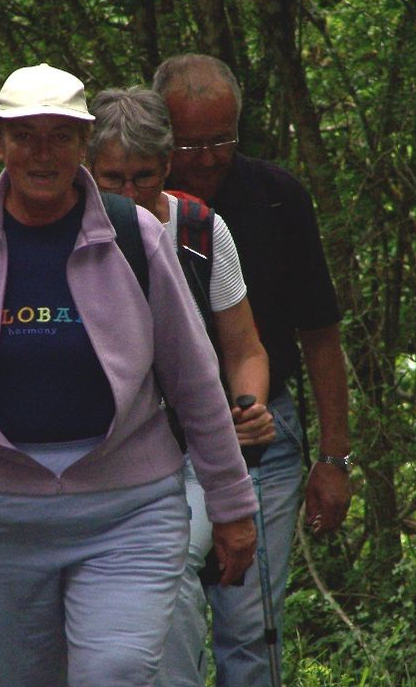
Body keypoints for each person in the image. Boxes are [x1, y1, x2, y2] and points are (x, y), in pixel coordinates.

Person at [0, 63, 259, 687]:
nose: (41, 153)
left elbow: (195, 380)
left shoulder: (137, 237)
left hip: (126, 510)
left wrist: (232, 506)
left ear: (82, 144)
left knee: (117, 671)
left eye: (59, 136)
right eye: (25, 136)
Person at [153, 54, 353, 687]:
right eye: (190, 143)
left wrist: (335, 458)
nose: (209, 157)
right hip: (156, 437)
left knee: (250, 625)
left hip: (262, 432)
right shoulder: (127, 203)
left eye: (222, 140)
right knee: (165, 604)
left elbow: (320, 335)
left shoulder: (275, 197)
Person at [87, 86, 274, 687]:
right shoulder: (64, 233)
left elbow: (244, 349)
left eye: (143, 177)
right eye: (112, 179)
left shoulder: (199, 231)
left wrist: (252, 405)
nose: (128, 193)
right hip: (98, 458)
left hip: (193, 451)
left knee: (168, 566)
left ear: (167, 167)